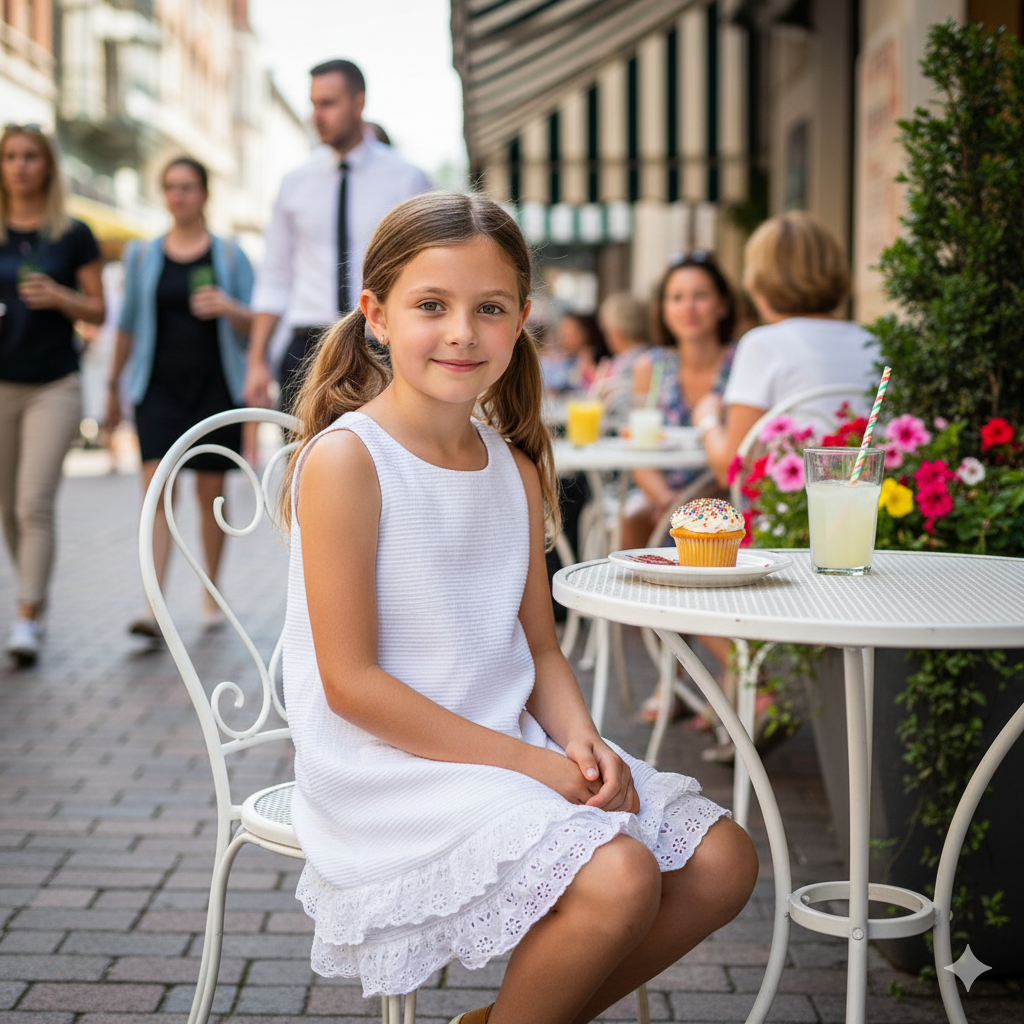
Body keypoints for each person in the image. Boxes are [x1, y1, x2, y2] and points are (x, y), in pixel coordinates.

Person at [279, 191, 757, 1024]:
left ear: (522, 321)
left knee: (723, 861)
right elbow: (351, 685)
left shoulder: (511, 463)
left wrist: (578, 738)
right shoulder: (349, 462)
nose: (462, 331)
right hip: (386, 760)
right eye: (432, 305)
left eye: (489, 308)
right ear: (377, 315)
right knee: (621, 873)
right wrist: (535, 765)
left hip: (505, 737)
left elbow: (538, 649)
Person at [106, 156, 254, 636]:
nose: (178, 196)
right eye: (170, 187)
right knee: (156, 489)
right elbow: (127, 325)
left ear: (204, 194)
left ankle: (212, 594)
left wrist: (229, 307)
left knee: (210, 490)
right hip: (158, 388)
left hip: (215, 387)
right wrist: (113, 385)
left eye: (187, 187)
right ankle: (154, 607)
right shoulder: (143, 255)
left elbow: (257, 326)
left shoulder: (230, 255)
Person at [244, 58, 431, 412]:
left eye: (328, 103)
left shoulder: (406, 179)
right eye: (313, 104)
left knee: (382, 460)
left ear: (359, 103)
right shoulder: (295, 182)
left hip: (378, 341)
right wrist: (256, 362)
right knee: (304, 460)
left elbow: (424, 273)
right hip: (307, 345)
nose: (317, 116)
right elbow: (274, 276)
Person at [0, 124, 105, 666]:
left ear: (47, 165)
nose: (20, 166)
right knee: (6, 510)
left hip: (54, 383)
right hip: (2, 384)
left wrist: (63, 298)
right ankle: (33, 600)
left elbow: (99, 310)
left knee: (31, 501)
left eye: (30, 156)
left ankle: (25, 615)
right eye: (11, 156)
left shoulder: (73, 233)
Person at [694, 212, 878, 484]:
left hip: (791, 515)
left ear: (760, 280)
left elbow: (733, 469)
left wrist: (707, 419)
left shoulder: (763, 344)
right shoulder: (873, 340)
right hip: (872, 511)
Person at [622, 253, 737, 550]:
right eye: (676, 297)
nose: (688, 307)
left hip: (726, 493)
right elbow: (639, 453)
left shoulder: (741, 362)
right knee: (633, 515)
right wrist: (664, 499)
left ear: (722, 305)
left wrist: (692, 505)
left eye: (700, 296)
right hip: (661, 494)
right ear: (663, 309)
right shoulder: (650, 367)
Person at [588, 291, 649, 424]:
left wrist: (599, 389)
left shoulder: (627, 366)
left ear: (617, 333)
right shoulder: (655, 357)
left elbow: (616, 417)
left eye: (605, 330)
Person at [540, 311, 606, 393]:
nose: (567, 338)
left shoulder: (589, 359)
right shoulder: (552, 361)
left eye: (572, 333)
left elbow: (596, 387)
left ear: (583, 334)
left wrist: (587, 365)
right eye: (565, 334)